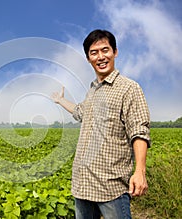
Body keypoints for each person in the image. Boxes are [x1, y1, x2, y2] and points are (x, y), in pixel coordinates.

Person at [51, 29, 150, 219]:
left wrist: (140, 171)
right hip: (83, 184)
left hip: (110, 186)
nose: (100, 56)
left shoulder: (129, 88)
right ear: (88, 58)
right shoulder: (93, 90)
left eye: (105, 50)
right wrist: (60, 101)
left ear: (115, 52)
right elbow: (80, 112)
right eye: (94, 52)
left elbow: (139, 130)